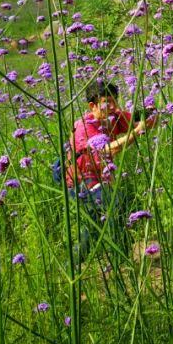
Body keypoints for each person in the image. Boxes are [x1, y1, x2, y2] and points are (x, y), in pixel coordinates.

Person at [64, 80, 152, 256]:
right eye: (106, 102)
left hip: (100, 179)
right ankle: (121, 255)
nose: (112, 106)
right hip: (82, 182)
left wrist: (149, 117)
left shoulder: (113, 118)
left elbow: (137, 122)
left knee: (95, 227)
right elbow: (110, 148)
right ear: (92, 105)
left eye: (114, 101)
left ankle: (75, 261)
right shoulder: (83, 127)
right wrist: (137, 131)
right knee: (117, 203)